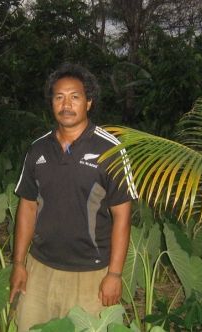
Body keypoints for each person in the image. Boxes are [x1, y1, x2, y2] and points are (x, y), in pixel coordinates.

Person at [9, 63, 137, 331]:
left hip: (91, 275)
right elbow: (27, 208)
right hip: (40, 268)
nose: (66, 104)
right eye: (59, 97)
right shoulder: (37, 149)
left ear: (89, 102)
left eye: (75, 97)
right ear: (52, 103)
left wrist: (114, 274)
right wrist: (19, 263)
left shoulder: (111, 150)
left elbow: (122, 216)